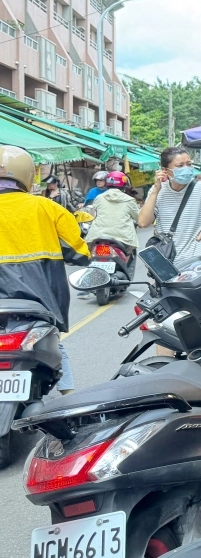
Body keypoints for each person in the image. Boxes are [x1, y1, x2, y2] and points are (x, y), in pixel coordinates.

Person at [0, 146, 89, 394]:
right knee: (54, 347)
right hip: (39, 305)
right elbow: (80, 254)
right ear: (28, 175)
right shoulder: (47, 207)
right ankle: (69, 398)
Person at [138, 146, 201, 267]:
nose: (187, 168)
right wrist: (155, 191)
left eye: (189, 164)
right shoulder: (158, 191)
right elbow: (143, 222)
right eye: (180, 166)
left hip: (198, 261)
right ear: (165, 170)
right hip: (166, 260)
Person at [86, 171, 139, 253]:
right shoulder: (129, 200)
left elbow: (92, 214)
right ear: (124, 185)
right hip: (123, 239)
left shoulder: (99, 198)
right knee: (128, 252)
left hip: (98, 237)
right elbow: (139, 218)